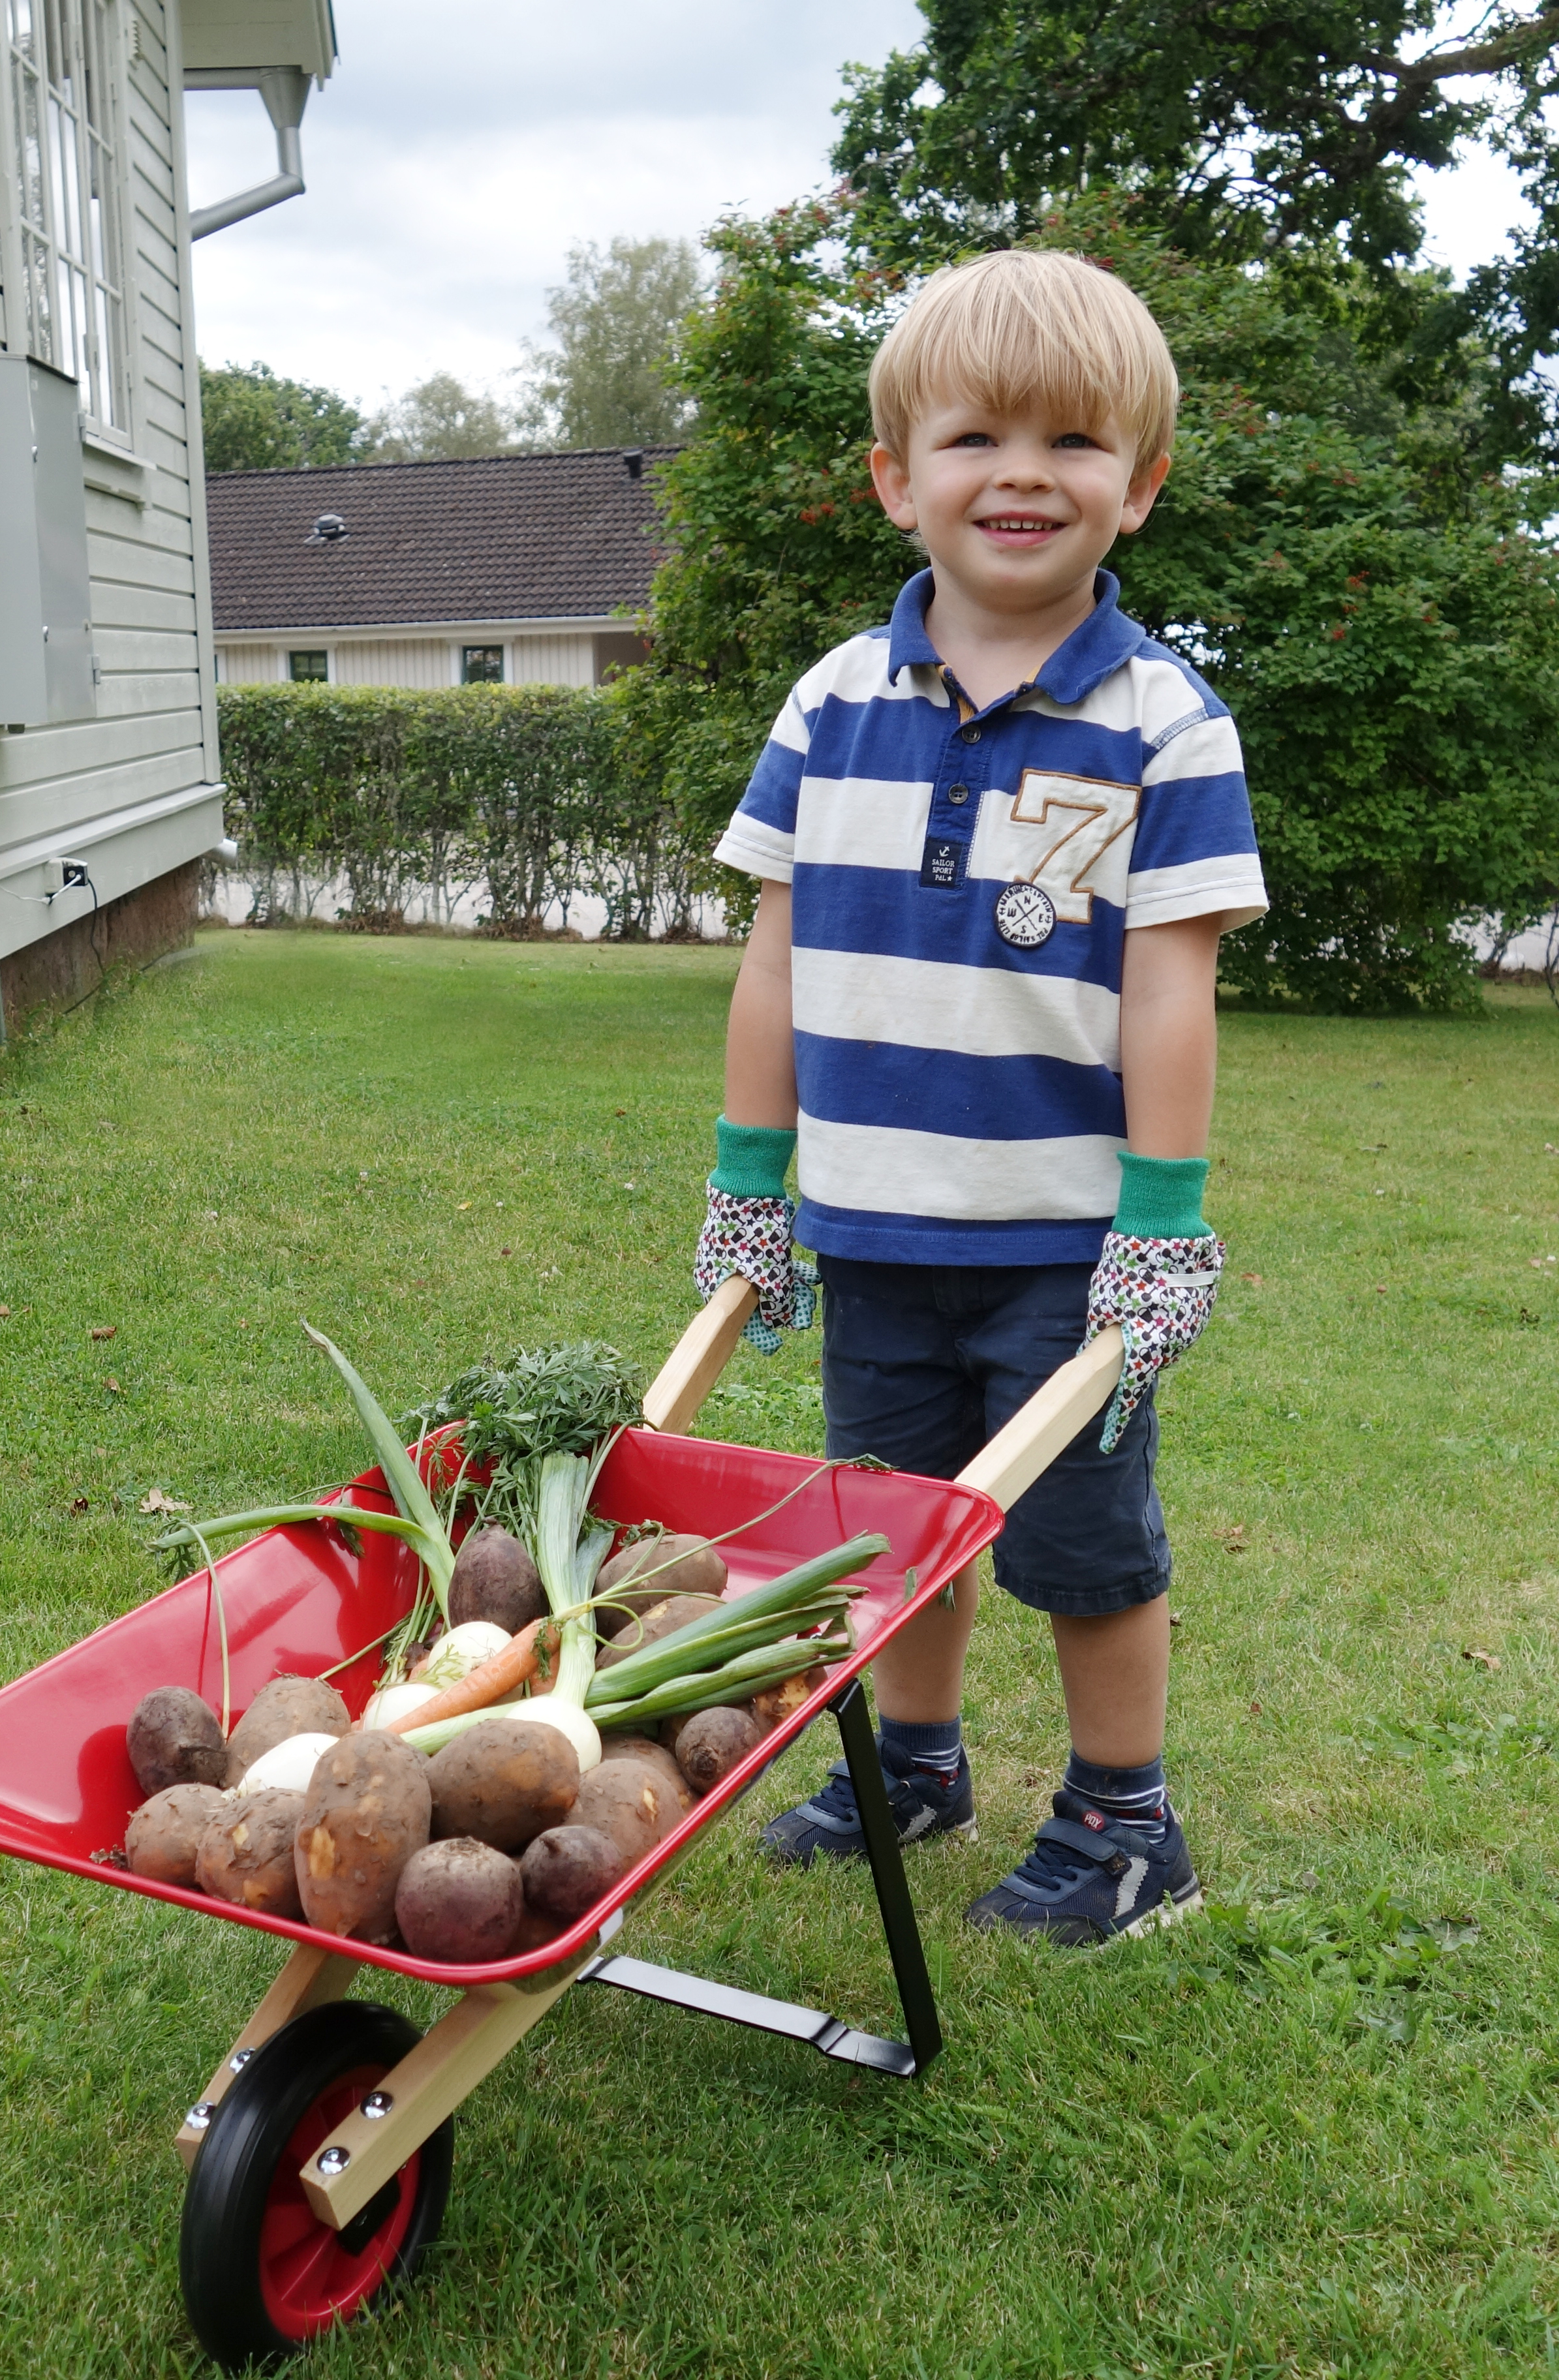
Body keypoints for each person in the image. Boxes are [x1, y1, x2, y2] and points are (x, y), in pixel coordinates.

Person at [694, 247, 1266, 1945]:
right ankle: (917, 1765)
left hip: (1061, 1251)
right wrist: (749, 1181)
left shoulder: (1166, 725)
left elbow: (1171, 986)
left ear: (1141, 489)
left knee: (1081, 1545)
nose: (1023, 472)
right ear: (896, 479)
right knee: (891, 1531)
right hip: (873, 1225)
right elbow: (775, 964)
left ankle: (1124, 1823)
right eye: (974, 437)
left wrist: (1159, 1228)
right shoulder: (830, 706)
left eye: (1077, 441)